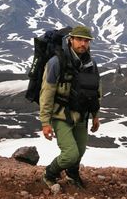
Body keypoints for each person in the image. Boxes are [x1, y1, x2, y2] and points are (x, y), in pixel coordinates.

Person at [39, 25, 101, 188]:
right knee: (70, 154)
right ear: (70, 40)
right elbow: (47, 92)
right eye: (79, 39)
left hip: (82, 115)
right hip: (61, 115)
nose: (83, 44)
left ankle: (72, 174)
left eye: (86, 41)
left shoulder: (91, 63)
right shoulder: (56, 62)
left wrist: (95, 115)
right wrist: (45, 122)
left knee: (79, 152)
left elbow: (95, 91)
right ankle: (49, 174)